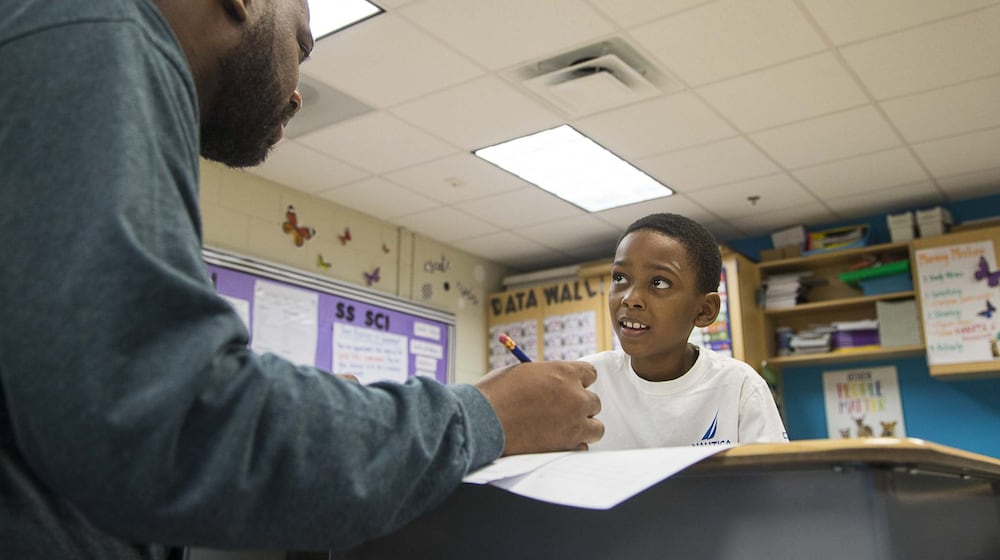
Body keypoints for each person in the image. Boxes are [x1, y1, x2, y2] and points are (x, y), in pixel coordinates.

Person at [0, 1, 603, 558]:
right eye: (302, 45)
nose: (296, 96)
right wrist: (488, 415)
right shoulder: (97, 30)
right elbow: (177, 427)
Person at [579, 213, 787, 450]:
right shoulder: (585, 383)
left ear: (705, 310)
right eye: (620, 278)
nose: (630, 298)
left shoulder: (739, 387)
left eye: (659, 282)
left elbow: (772, 481)